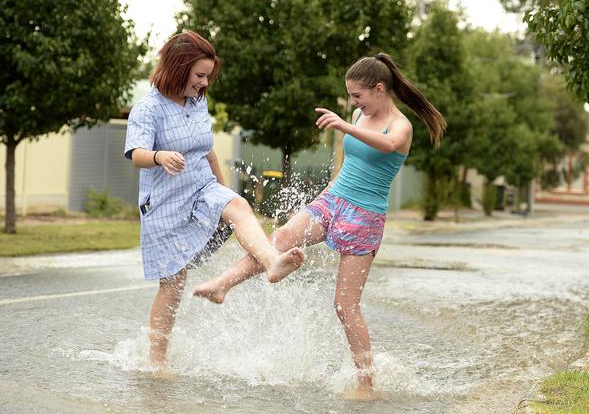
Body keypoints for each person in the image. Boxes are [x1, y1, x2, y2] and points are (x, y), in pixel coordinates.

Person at [193, 53, 446, 397]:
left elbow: (388, 145)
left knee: (344, 305)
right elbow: (349, 164)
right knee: (279, 238)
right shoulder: (359, 114)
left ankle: (366, 383)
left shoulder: (400, 126)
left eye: (358, 95)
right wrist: (320, 198)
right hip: (333, 200)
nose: (353, 103)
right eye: (350, 97)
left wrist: (344, 126)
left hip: (365, 217)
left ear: (379, 89)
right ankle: (222, 285)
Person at [124, 30, 305, 370]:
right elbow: (135, 154)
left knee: (239, 206)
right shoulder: (148, 108)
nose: (205, 83)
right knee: (173, 283)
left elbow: (206, 151)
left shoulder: (198, 101)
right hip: (164, 202)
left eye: (208, 76)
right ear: (179, 68)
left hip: (201, 186)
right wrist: (160, 156)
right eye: (200, 75)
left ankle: (272, 261)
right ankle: (156, 361)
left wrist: (225, 193)